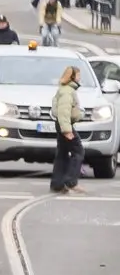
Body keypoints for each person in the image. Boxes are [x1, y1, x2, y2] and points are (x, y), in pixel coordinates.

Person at [52, 63, 87, 194]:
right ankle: (71, 182)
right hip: (65, 125)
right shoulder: (67, 92)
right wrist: (67, 130)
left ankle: (57, 184)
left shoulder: (65, 89)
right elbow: (64, 112)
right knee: (78, 152)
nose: (79, 78)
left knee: (62, 154)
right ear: (72, 77)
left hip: (62, 124)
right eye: (78, 75)